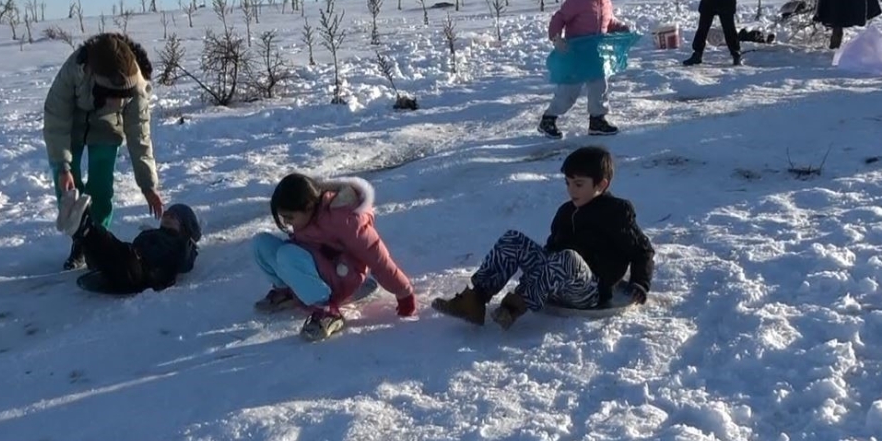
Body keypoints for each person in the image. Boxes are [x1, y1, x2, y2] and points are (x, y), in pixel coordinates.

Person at [431, 146, 654, 330]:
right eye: (568, 183)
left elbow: (642, 250)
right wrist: (538, 273)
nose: (571, 190)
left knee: (568, 258)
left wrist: (640, 283)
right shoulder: (566, 211)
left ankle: (515, 305)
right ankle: (476, 299)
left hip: (590, 290)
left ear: (601, 184)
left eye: (578, 184)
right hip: (557, 281)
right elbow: (551, 251)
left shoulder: (616, 212)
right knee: (513, 240)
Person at [43, 32, 164, 270]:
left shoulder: (136, 85)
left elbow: (139, 137)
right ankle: (79, 237)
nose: (118, 103)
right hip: (71, 127)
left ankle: (95, 241)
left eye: (123, 98)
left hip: (107, 130)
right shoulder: (75, 70)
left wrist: (148, 185)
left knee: (101, 186)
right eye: (113, 96)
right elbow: (56, 119)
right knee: (67, 185)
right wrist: (63, 165)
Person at [251, 174, 417, 341]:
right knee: (261, 243)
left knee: (287, 255)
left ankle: (327, 311)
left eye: (290, 218)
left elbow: (377, 257)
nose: (287, 224)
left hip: (342, 275)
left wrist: (404, 292)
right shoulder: (309, 214)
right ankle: (288, 291)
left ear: (308, 206)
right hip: (315, 265)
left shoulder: (345, 219)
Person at [541, 0, 634, 139]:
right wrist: (556, 38)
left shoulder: (606, 2)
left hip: (596, 56)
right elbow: (559, 17)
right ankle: (549, 118)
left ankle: (597, 120)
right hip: (575, 55)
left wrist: (621, 27)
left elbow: (609, 22)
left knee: (600, 87)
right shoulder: (577, 1)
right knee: (569, 92)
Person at [60, 197, 201, 294]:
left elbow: (185, 264)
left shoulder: (181, 244)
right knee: (106, 254)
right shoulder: (152, 233)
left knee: (118, 251)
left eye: (174, 216)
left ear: (185, 227)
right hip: (133, 264)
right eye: (167, 213)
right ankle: (79, 228)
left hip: (145, 273)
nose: (167, 216)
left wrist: (187, 242)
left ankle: (85, 226)